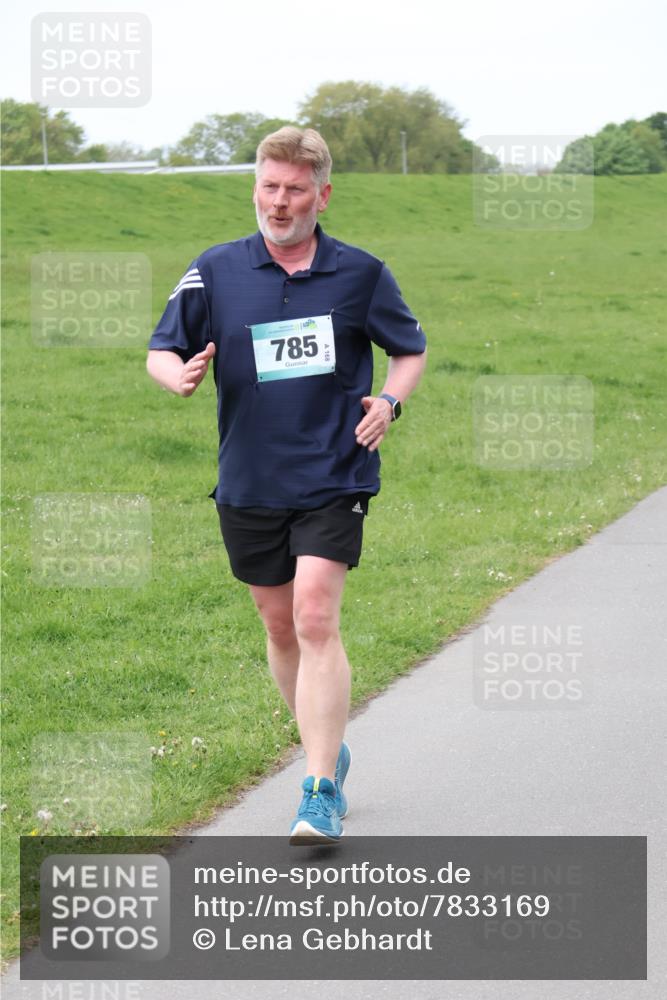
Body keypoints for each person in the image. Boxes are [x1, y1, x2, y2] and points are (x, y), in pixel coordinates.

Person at [146, 126, 426, 845]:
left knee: (312, 616)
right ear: (256, 189)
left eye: (295, 188)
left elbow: (408, 349)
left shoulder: (360, 273)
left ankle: (319, 785)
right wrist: (174, 375)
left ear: (321, 194)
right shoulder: (214, 269)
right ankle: (325, 740)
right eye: (269, 186)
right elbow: (160, 347)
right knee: (277, 625)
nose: (279, 200)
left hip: (334, 471)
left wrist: (388, 403)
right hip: (248, 477)